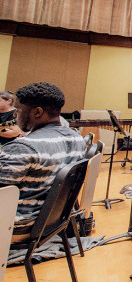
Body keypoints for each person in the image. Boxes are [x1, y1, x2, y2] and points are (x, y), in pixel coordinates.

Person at [0, 82, 86, 242]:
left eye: (18, 110)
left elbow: (2, 197)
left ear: (37, 112)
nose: (15, 115)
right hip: (52, 223)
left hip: (18, 228)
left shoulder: (22, 148)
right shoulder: (77, 138)